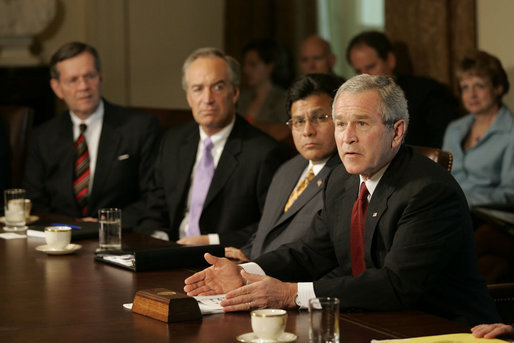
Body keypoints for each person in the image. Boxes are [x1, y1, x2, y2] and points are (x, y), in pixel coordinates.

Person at [184, 74, 500, 326]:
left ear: (397, 131)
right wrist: (244, 270)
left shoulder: (428, 191)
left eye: (361, 123)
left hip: (444, 328)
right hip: (371, 319)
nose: (346, 137)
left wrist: (291, 294)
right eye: (340, 124)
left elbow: (396, 285)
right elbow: (311, 252)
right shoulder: (342, 178)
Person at [137, 47, 288, 247]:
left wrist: (211, 241)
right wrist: (159, 242)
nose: (207, 99)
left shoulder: (263, 153)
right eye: (198, 89)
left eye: (217, 87)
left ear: (234, 93)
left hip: (224, 259)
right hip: (169, 254)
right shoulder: (173, 142)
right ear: (188, 98)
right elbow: (154, 208)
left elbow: (271, 226)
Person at [23, 42, 161, 228]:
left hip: (120, 237)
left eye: (89, 76)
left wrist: (107, 223)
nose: (84, 86)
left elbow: (153, 197)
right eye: (73, 80)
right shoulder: (43, 136)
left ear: (101, 77)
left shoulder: (139, 128)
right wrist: (70, 226)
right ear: (57, 88)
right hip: (59, 238)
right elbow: (35, 202)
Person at [225, 74, 343, 262]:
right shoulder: (288, 169)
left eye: (320, 118)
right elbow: (269, 229)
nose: (307, 131)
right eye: (298, 121)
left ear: (342, 119)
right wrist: (247, 254)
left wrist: (259, 266)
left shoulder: (349, 177)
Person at [346, 30, 458, 148]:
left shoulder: (426, 92)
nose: (365, 76)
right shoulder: (352, 102)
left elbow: (441, 146)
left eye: (371, 67)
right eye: (358, 71)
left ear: (390, 60)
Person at [442, 51, 514, 207]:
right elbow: (442, 178)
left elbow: (510, 193)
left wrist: (461, 199)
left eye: (479, 86)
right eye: (465, 87)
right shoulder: (454, 128)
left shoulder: (511, 132)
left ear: (498, 88)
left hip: (488, 218)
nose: (471, 95)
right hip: (449, 210)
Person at [237, 38, 289, 124]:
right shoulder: (241, 99)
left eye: (253, 64)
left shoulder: (282, 100)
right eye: (245, 64)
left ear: (270, 66)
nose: (246, 69)